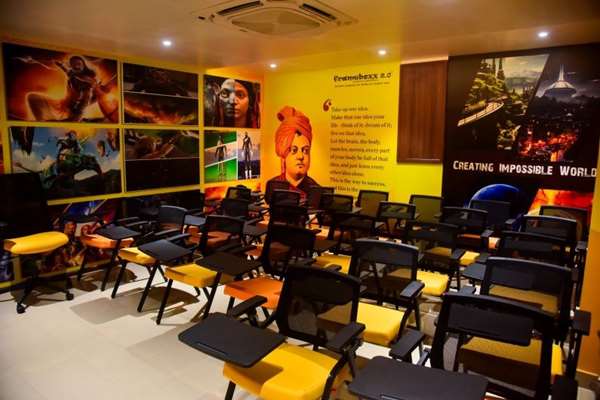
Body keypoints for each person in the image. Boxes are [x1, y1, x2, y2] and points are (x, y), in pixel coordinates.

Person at [266, 106, 319, 198]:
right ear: (284, 154)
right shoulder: (273, 186)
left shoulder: (316, 191)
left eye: (305, 151)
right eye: (294, 150)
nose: (301, 156)